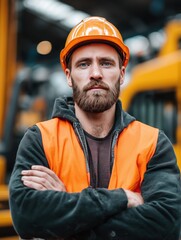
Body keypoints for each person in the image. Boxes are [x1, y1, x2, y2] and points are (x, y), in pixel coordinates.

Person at [9, 16, 181, 240]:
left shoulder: (152, 142)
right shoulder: (40, 138)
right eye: (83, 64)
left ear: (121, 73)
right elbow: (26, 216)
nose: (96, 73)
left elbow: (167, 224)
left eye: (106, 63)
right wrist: (122, 199)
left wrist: (68, 206)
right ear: (69, 77)